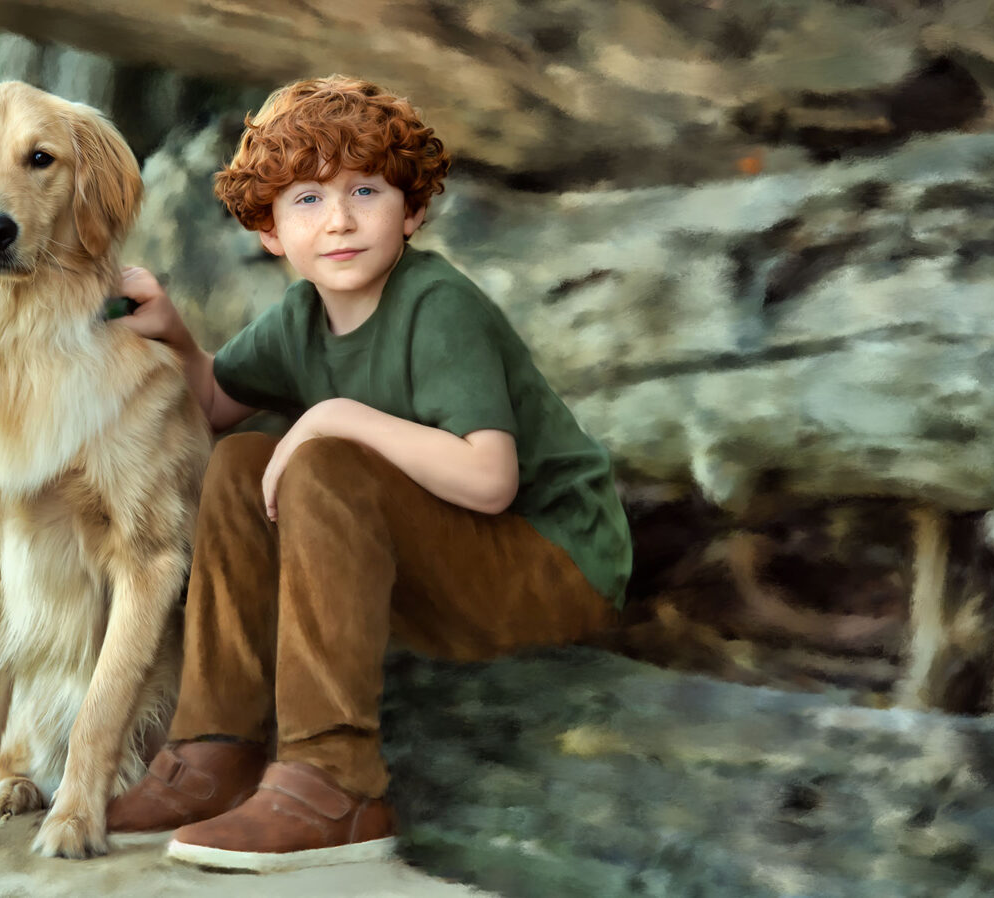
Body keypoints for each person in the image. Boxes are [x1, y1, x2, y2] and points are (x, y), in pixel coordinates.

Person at [104, 74, 633, 873]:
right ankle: (215, 751)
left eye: (366, 190)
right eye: (307, 199)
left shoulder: (435, 306)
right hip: (440, 569)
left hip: (550, 566)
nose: (340, 219)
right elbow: (211, 403)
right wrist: (175, 335)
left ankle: (335, 783)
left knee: (322, 462)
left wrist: (332, 417)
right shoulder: (300, 317)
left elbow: (489, 478)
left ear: (413, 210)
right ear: (270, 230)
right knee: (245, 459)